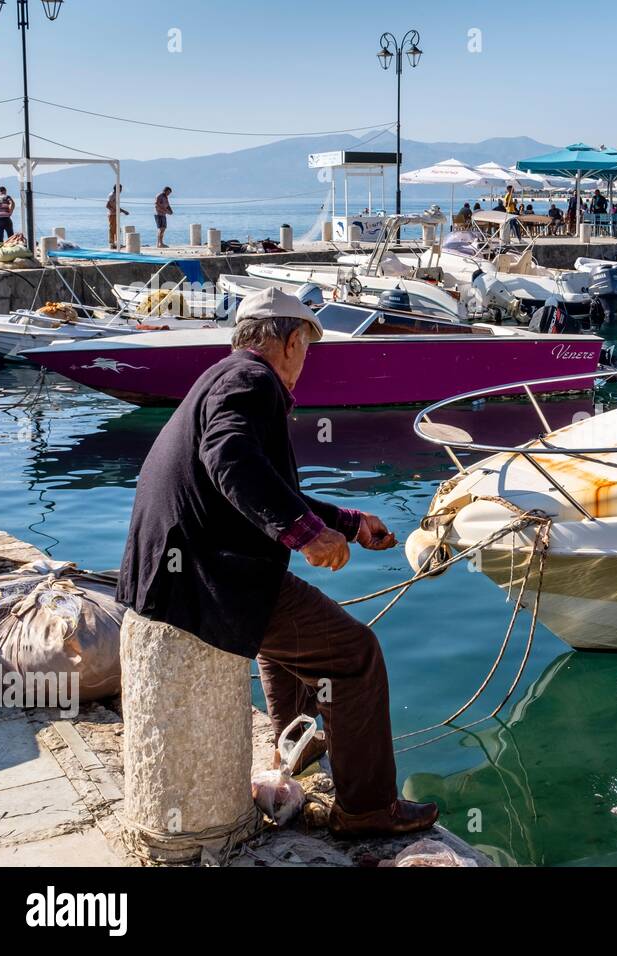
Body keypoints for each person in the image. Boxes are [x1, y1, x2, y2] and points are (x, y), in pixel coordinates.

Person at [115, 287, 438, 838]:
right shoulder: (251, 381)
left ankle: (290, 746)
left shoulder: (222, 377)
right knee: (356, 656)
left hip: (181, 576)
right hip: (209, 581)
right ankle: (366, 810)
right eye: (306, 351)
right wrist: (306, 535)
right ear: (290, 342)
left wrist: (347, 524)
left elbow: (266, 484)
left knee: (288, 637)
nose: (304, 366)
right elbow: (231, 458)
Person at [106, 185, 129, 249]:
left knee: (118, 229)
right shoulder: (112, 195)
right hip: (112, 215)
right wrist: (122, 211)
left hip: (116, 214)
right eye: (120, 189)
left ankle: (116, 243)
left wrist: (120, 211)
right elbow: (107, 205)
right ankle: (112, 244)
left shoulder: (115, 195)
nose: (121, 190)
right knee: (112, 229)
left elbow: (114, 206)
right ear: (117, 189)